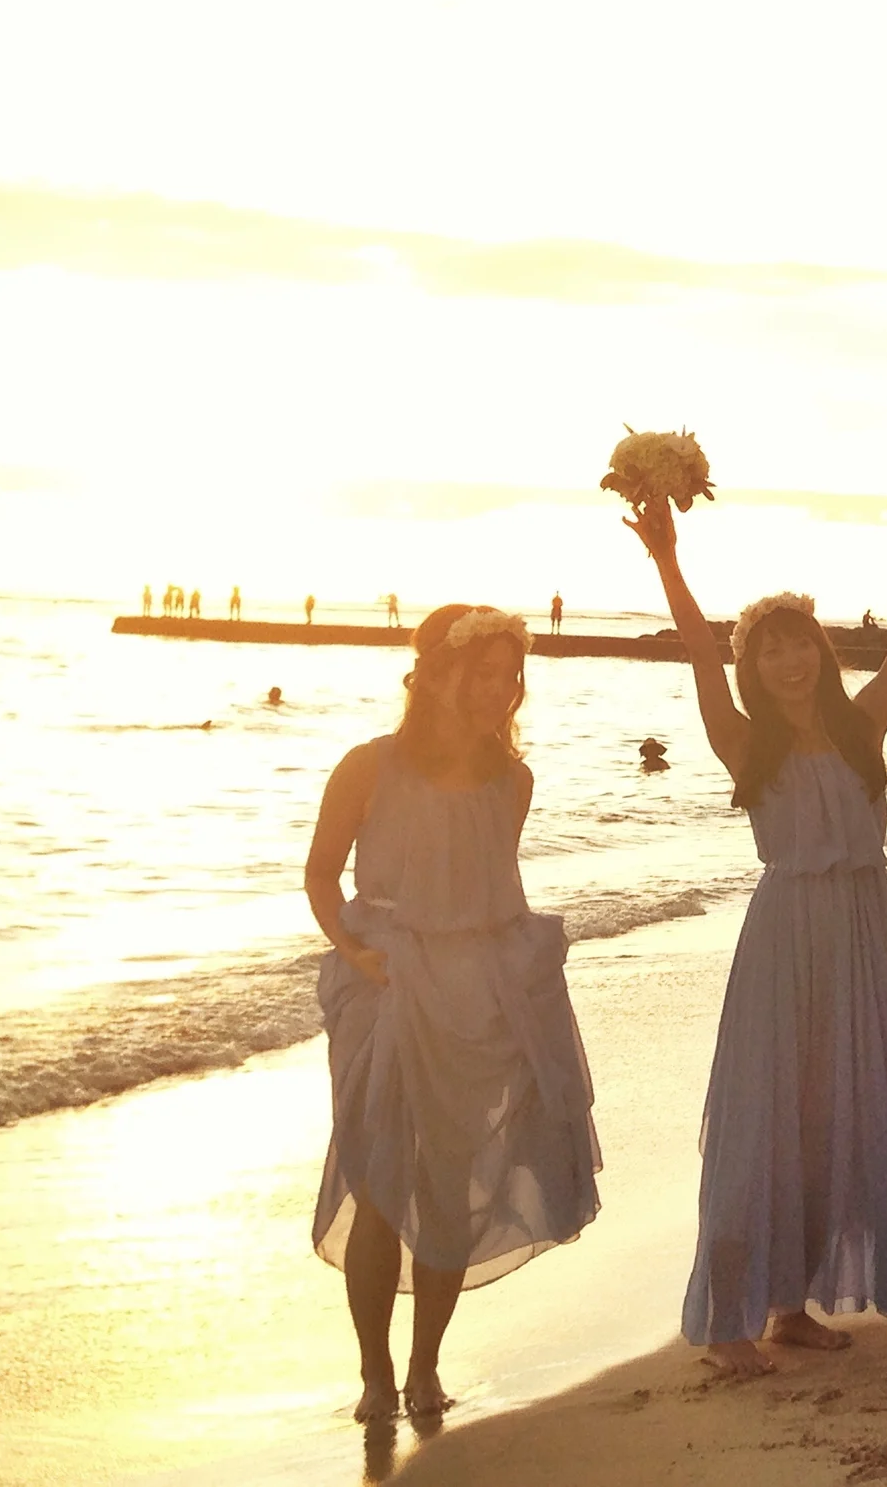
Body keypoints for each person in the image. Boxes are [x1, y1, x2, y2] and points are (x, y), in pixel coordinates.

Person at [625, 463, 887, 1377]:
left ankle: (788, 1303)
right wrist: (668, 561)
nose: (790, 659)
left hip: (864, 933)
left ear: (820, 652)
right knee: (763, 1118)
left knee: (833, 1116)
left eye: (800, 643)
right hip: (785, 935)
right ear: (752, 665)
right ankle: (727, 1315)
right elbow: (692, 641)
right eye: (770, 648)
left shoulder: (861, 724)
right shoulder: (741, 739)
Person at [302, 604, 599, 1423]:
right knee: (378, 1182)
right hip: (388, 989)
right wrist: (356, 953)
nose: (501, 689)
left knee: (447, 1187)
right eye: (484, 671)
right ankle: (373, 1375)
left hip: (478, 994)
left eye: (512, 675)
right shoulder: (368, 766)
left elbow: (490, 888)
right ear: (436, 673)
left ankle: (425, 1367)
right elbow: (322, 875)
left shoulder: (515, 779)